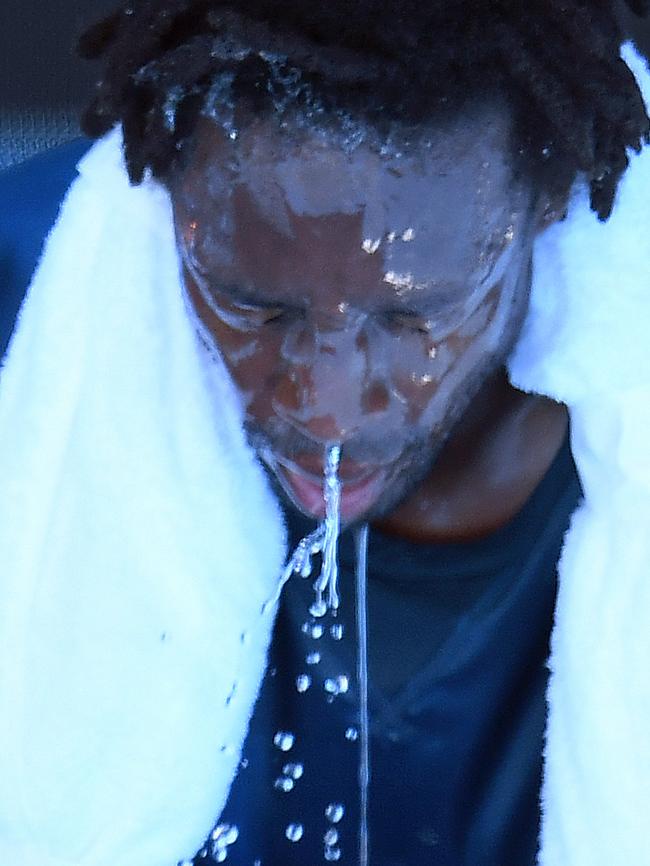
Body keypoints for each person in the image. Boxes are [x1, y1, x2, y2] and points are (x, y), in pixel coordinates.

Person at [1, 2, 649, 865]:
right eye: (250, 305)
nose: (326, 411)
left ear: (554, 204)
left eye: (417, 316)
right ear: (167, 188)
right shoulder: (16, 310)